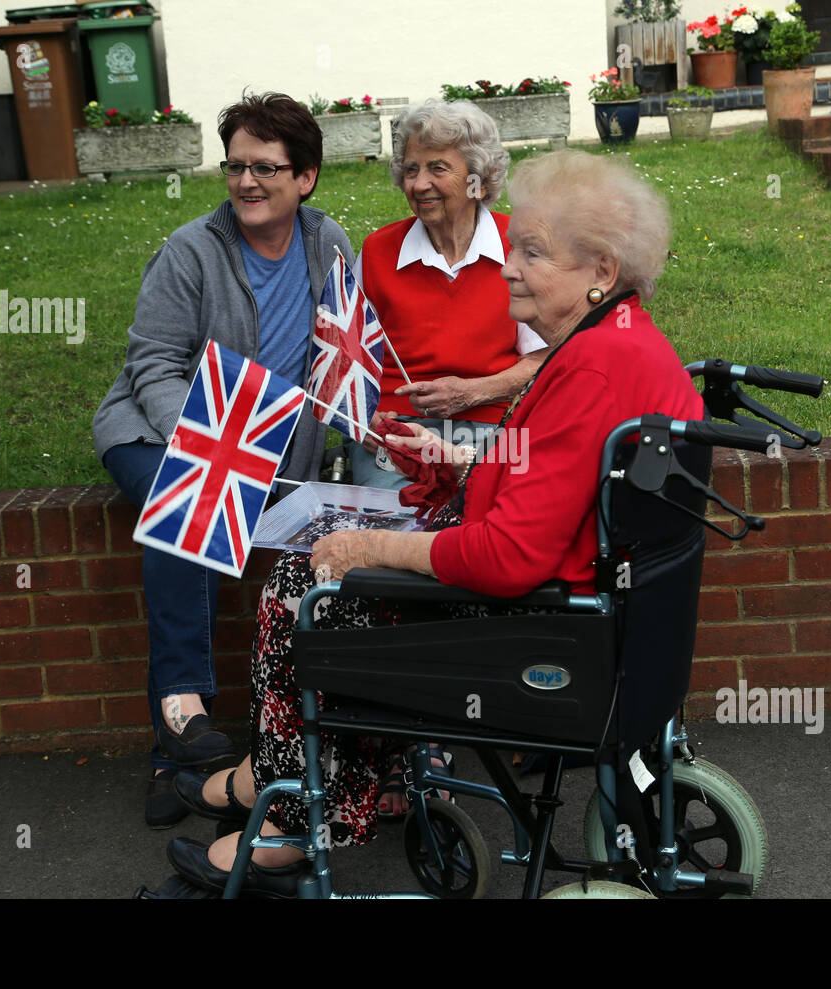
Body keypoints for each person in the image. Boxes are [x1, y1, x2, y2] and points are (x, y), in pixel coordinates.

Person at [163, 149, 705, 896]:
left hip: (543, 620)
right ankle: (282, 778)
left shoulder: (591, 365)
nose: (508, 266)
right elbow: (555, 473)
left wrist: (370, 545)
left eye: (533, 252)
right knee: (320, 573)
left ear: (601, 270)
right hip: (585, 597)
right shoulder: (615, 339)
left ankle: (295, 817)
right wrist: (456, 460)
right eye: (515, 246)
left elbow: (509, 556)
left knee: (303, 584)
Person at [92, 92, 353, 828]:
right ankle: (181, 716)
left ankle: (185, 760)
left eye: (266, 168)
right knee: (185, 499)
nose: (246, 182)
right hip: (156, 431)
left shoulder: (328, 242)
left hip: (268, 446)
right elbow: (154, 366)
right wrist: (210, 443)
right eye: (236, 165)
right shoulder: (191, 249)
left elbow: (340, 357)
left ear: (305, 177)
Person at [348, 99, 549, 491]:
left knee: (507, 511)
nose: (418, 184)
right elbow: (345, 355)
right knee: (398, 526)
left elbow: (548, 357)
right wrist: (361, 415)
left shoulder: (521, 247)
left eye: (437, 168)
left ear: (480, 179)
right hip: (398, 432)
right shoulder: (378, 252)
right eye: (410, 169)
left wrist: (473, 392)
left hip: (496, 426)